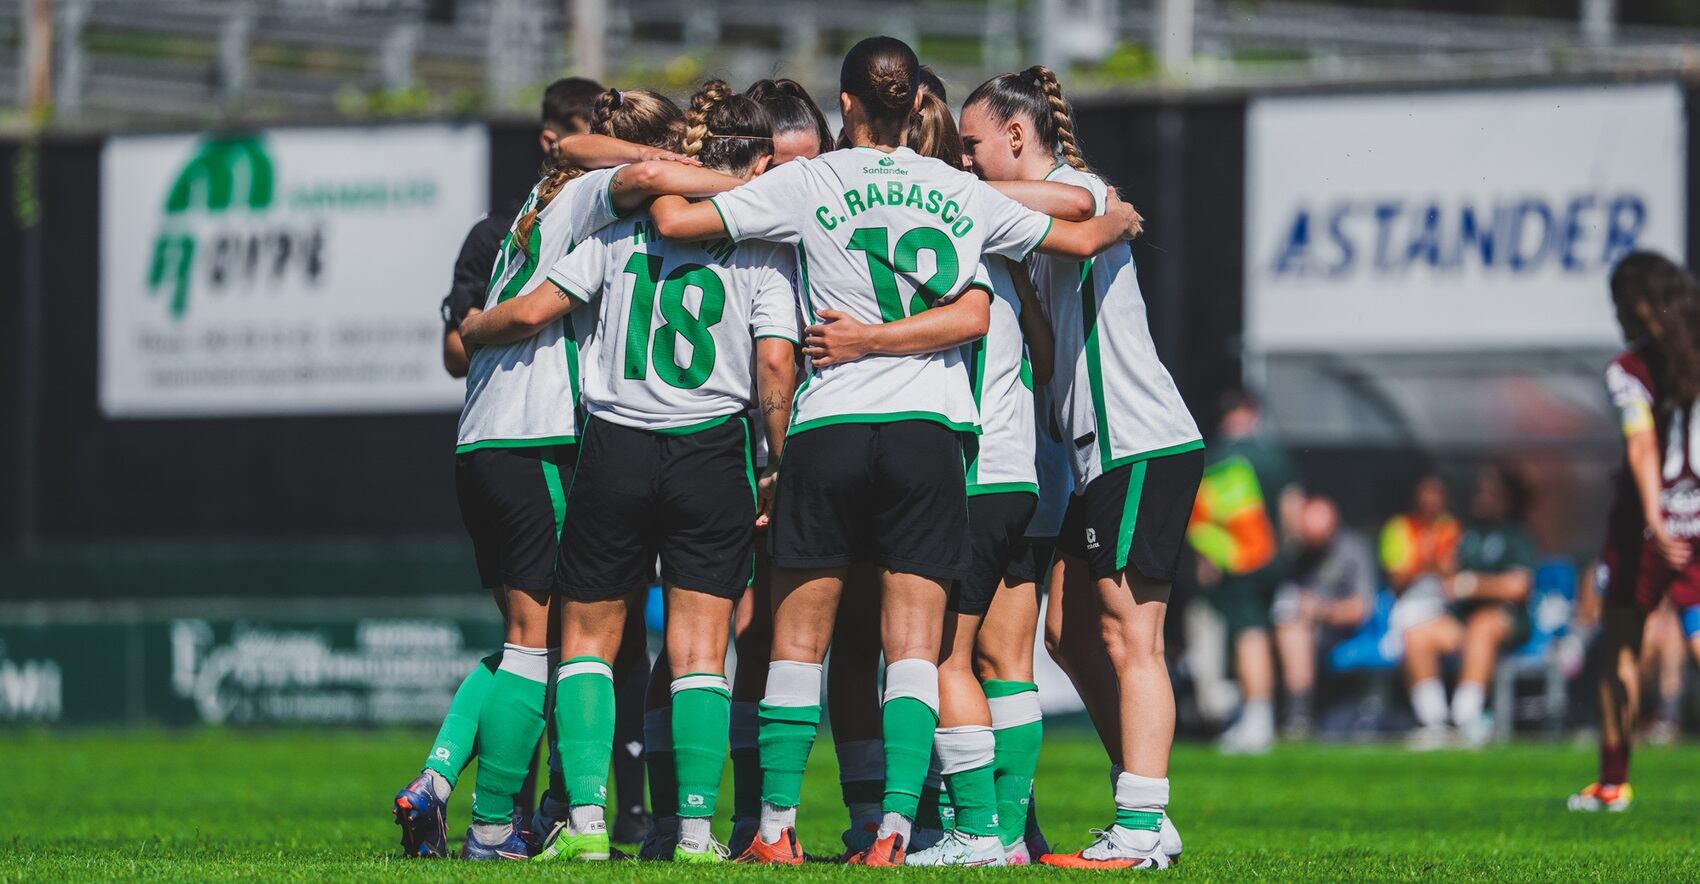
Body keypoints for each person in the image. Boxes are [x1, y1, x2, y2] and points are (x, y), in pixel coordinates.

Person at [649, 36, 1144, 866]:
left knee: (797, 642)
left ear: (845, 105)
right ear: (918, 105)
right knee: (916, 648)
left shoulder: (811, 180)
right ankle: (892, 834)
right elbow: (1078, 230)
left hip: (830, 425)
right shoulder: (962, 188)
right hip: (930, 437)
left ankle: (773, 829)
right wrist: (1107, 208)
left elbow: (676, 219)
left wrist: (741, 180)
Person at [396, 85, 749, 861]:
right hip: (541, 432)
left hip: (486, 437)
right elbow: (530, 307)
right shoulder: (601, 198)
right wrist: (746, 185)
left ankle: (446, 781)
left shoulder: (538, 197)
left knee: (539, 638)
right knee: (539, 643)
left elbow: (588, 159)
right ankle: (493, 823)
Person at [960, 65, 1202, 870]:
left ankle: (1141, 828)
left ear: (1018, 136)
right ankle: (1139, 793)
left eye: (972, 146)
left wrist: (943, 193)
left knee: (1134, 640)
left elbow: (1090, 210)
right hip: (1102, 455)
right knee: (1065, 632)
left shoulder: (1082, 189)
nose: (964, 164)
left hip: (1140, 443)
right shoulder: (1037, 218)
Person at [1570, 251, 1700, 811]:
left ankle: (1613, 782)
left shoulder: (1629, 369)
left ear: (1637, 305)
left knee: (1621, 645)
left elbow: (1642, 443)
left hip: (1644, 529)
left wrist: (1654, 517)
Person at [441, 77, 606, 379]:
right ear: (550, 142)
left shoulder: (620, 218)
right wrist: (513, 323)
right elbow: (455, 352)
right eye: (591, 140)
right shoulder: (494, 232)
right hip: (532, 412)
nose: (605, 153)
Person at [1186, 389, 1303, 755]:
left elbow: (1201, 519)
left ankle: (1258, 719)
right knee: (1275, 632)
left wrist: (1207, 561)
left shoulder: (1213, 455)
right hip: (1273, 560)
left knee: (1248, 637)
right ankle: (1289, 715)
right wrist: (1287, 556)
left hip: (1236, 562)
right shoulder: (1273, 455)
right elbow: (1293, 511)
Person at [1401, 465, 1538, 748]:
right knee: (1417, 635)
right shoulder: (1467, 533)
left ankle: (1466, 717)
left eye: (1490, 490)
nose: (1482, 495)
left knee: (1483, 626)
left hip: (1505, 620)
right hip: (1462, 617)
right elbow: (1451, 577)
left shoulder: (1517, 535)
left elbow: (1518, 587)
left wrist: (1473, 585)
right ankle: (1435, 722)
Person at [1270, 496, 1377, 737]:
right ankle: (1259, 712)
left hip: (1339, 630)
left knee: (1293, 631)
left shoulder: (1353, 548)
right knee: (1285, 626)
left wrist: (1321, 610)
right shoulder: (1292, 551)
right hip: (1285, 626)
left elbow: (1362, 608)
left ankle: (1298, 716)